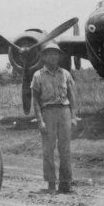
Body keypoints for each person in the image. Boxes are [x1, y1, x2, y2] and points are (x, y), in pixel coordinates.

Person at [30, 42, 77, 194]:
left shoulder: (65, 74)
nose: (53, 56)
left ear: (59, 56)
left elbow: (72, 96)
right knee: (48, 150)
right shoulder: (38, 76)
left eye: (55, 53)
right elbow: (35, 100)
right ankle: (51, 182)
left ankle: (65, 182)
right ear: (43, 57)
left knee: (65, 150)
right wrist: (40, 120)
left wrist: (74, 117)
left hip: (64, 112)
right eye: (49, 53)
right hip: (48, 113)